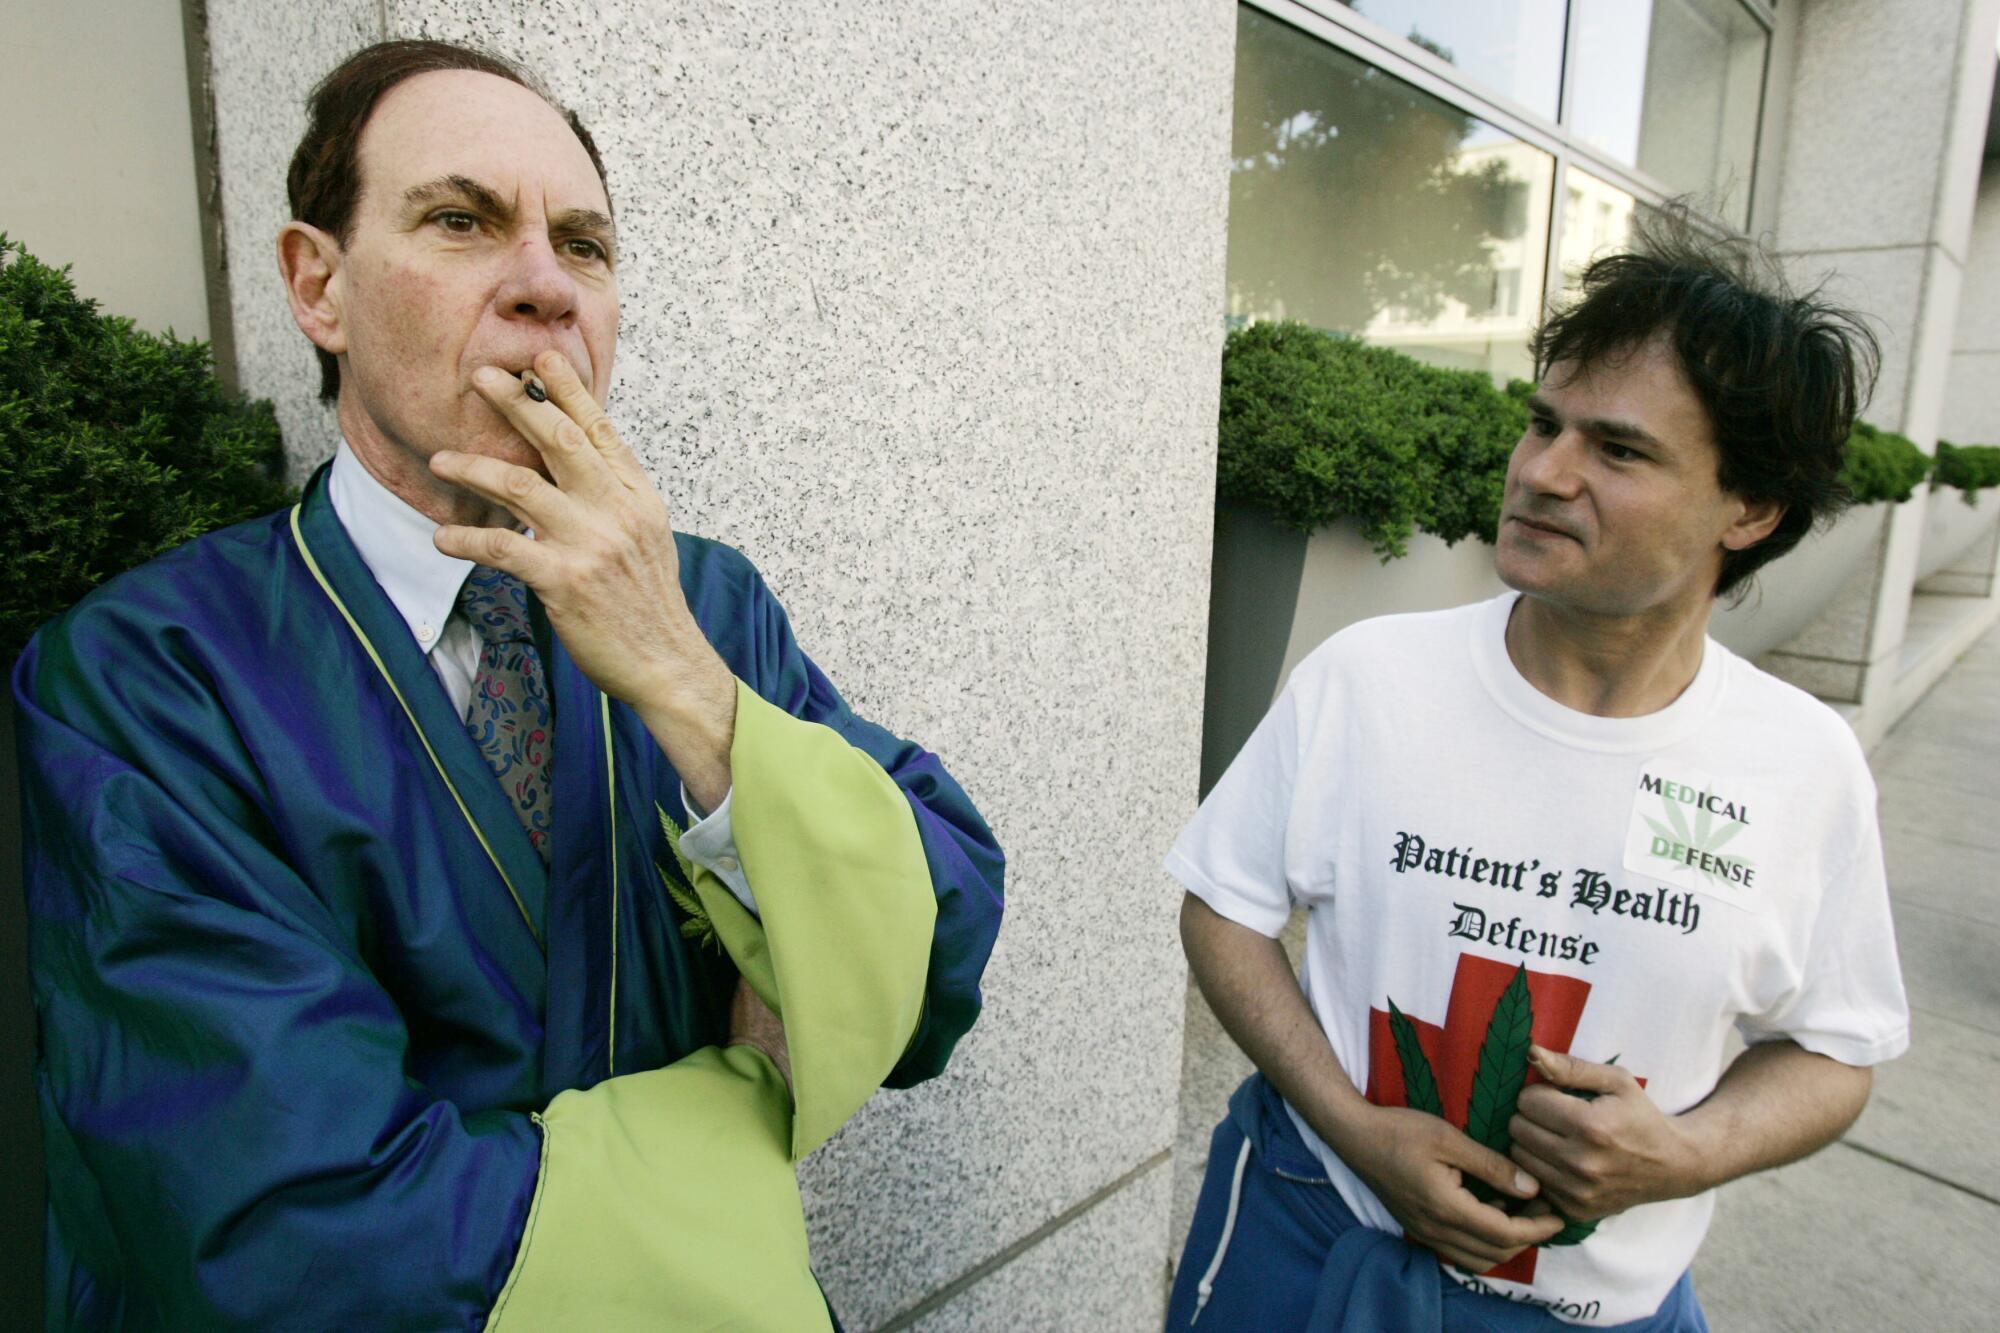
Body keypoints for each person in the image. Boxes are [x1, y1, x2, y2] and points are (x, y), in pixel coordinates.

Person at [15, 39, 1003, 1331]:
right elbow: (293, 1237)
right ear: (318, 285)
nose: (545, 283)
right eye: (462, 221)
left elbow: (933, 959)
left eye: (585, 246)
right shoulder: (147, 676)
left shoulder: (704, 608)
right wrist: (742, 1127)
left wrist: (692, 695)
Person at [1165, 215, 1909, 1331]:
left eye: (1615, 450)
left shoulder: (1800, 766)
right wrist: (1351, 1121)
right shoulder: (1369, 678)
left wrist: (1683, 1152)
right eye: (1541, 423)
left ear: (1747, 509)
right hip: (1307, 1241)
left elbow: (1836, 1048)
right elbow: (1222, 911)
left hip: (1596, 1305)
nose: (1540, 472)